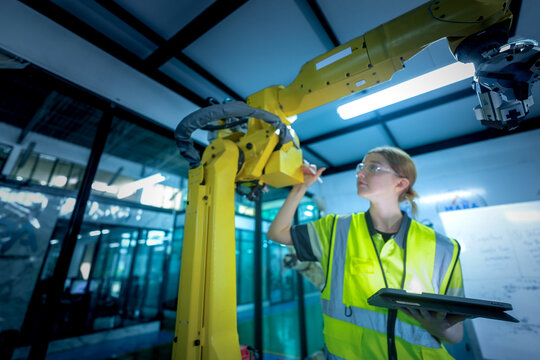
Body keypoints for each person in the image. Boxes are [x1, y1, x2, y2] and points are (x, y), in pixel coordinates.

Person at [267, 146, 465, 360]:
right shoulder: (334, 229)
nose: (360, 173)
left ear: (400, 183)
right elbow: (277, 233)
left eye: (373, 168)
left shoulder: (443, 248)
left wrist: (437, 326)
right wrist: (300, 188)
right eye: (361, 167)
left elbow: (455, 335)